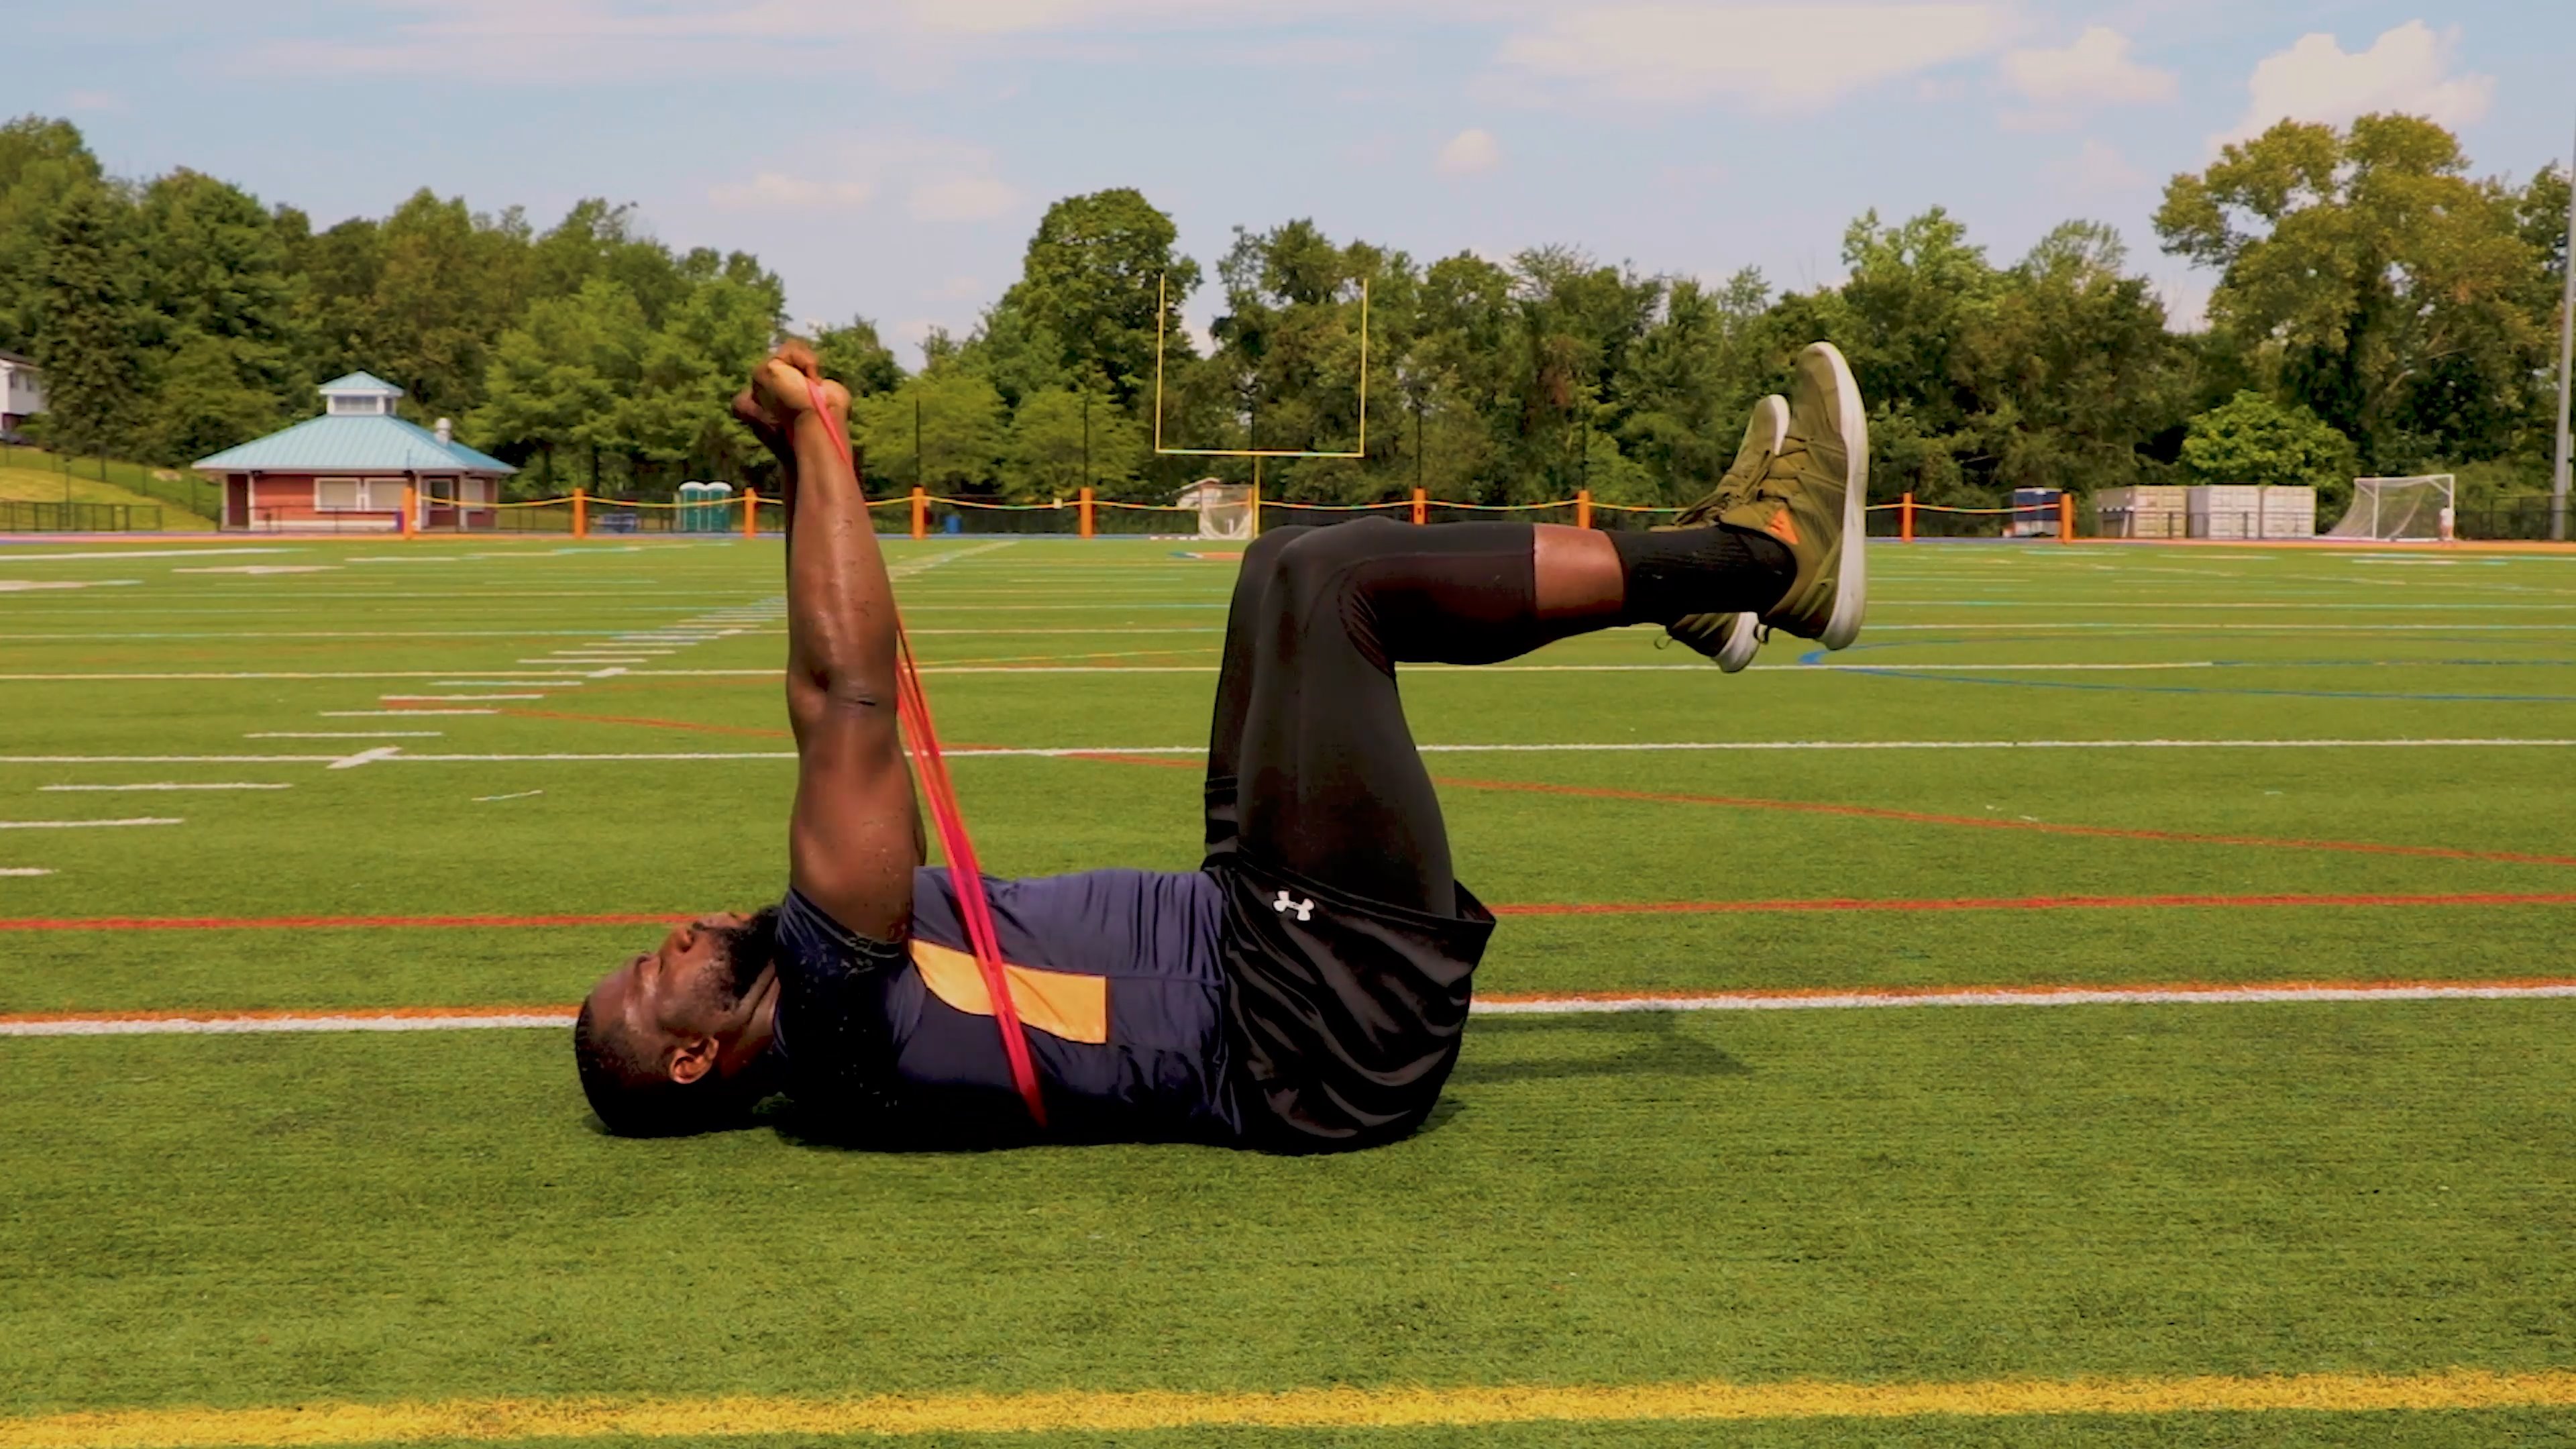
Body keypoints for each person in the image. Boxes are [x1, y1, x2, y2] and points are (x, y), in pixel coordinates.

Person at [573, 340, 1868, 1151]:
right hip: (1313, 1032)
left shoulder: (818, 989)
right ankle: (1774, 560)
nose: (675, 938)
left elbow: (836, 684)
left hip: (1248, 933)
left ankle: (1693, 592)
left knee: (1278, 567)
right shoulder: (833, 1015)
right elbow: (844, 696)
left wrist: (809, 461)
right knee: (1339, 590)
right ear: (695, 1058)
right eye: (649, 977)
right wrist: (815, 440)